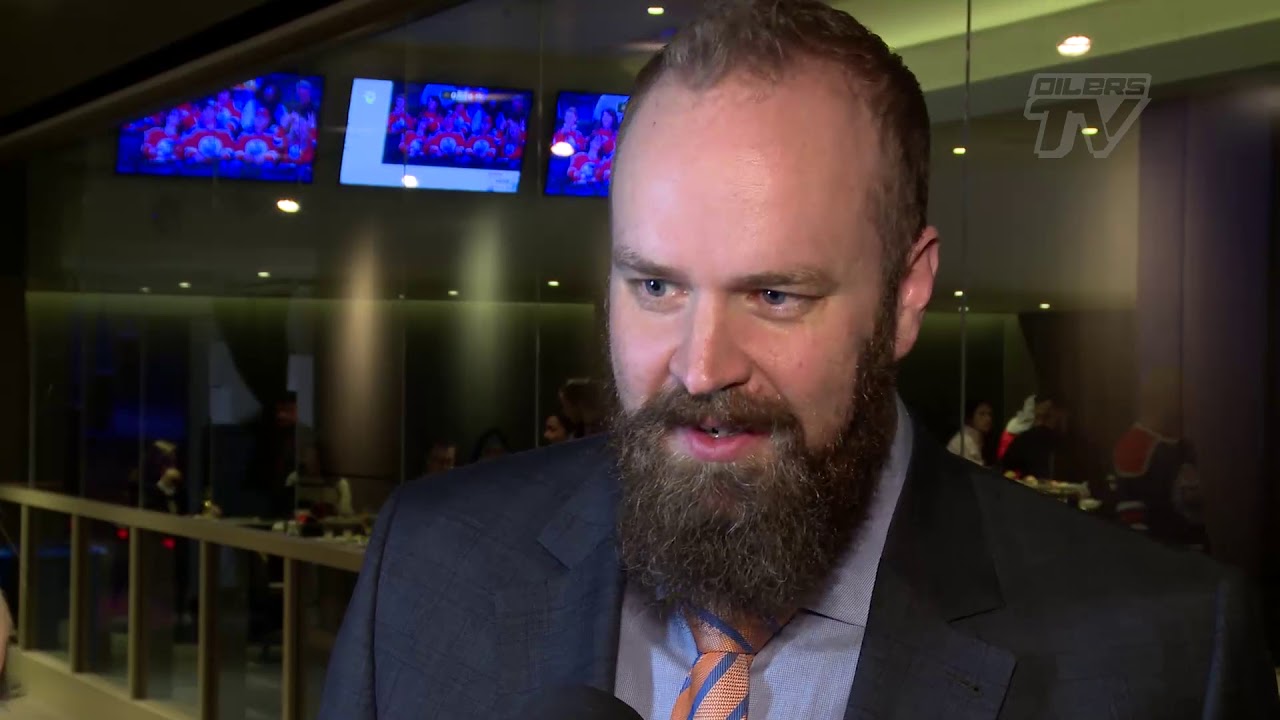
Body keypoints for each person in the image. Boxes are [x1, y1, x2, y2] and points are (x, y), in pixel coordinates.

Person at [319, 2, 1279, 718]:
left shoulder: (1163, 656)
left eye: (775, 296)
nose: (700, 369)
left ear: (907, 293)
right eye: (656, 287)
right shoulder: (430, 567)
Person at [946, 398, 993, 466]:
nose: (988, 419)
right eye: (982, 414)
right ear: (970, 416)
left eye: (990, 414)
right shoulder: (962, 440)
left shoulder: (979, 438)